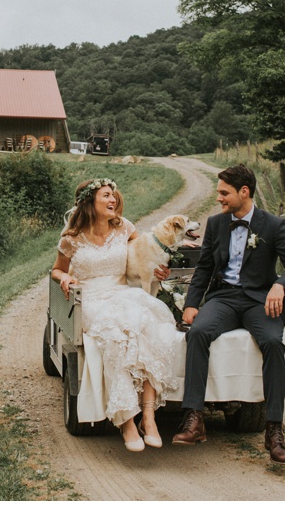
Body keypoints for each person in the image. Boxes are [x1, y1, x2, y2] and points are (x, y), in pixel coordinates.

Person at [172, 164, 285, 464]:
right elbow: (204, 269)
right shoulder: (216, 224)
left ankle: (274, 430)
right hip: (223, 298)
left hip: (260, 300)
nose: (219, 198)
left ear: (243, 192)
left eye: (224, 193)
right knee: (197, 333)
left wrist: (280, 286)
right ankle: (194, 419)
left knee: (274, 343)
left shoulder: (273, 225)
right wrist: (193, 303)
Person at [52, 178, 180, 452]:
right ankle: (126, 421)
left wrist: (160, 270)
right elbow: (57, 269)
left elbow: (146, 256)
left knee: (147, 327)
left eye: (113, 195)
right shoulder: (71, 238)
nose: (113, 200)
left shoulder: (125, 228)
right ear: (89, 202)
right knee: (115, 337)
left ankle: (148, 415)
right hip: (91, 299)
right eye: (106, 195)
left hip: (123, 293)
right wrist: (64, 277)